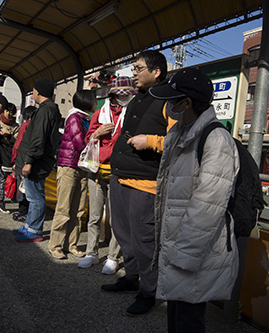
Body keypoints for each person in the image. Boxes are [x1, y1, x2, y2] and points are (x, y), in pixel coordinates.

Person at [149, 67, 240, 332]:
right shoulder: (180, 132)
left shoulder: (216, 139)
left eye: (171, 100)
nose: (167, 106)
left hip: (193, 252)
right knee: (177, 318)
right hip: (178, 246)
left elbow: (207, 208)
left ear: (186, 103)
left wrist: (183, 258)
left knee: (188, 321)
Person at [102, 50, 175, 316]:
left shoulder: (171, 101)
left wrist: (151, 142)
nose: (134, 73)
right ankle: (131, 278)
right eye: (134, 68)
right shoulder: (138, 99)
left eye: (139, 68)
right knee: (123, 234)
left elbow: (179, 141)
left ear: (156, 72)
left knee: (144, 241)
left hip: (145, 183)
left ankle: (149, 291)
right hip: (120, 176)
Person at [78, 76, 137, 274]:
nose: (125, 98)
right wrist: (97, 133)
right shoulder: (99, 113)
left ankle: (113, 257)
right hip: (96, 169)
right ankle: (91, 253)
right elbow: (88, 139)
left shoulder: (131, 114)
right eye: (123, 95)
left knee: (116, 219)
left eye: (128, 95)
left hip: (118, 171)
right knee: (94, 216)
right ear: (114, 95)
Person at [48, 90, 95, 259]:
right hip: (69, 167)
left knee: (78, 209)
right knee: (64, 208)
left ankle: (71, 244)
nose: (96, 102)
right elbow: (79, 143)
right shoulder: (74, 118)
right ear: (86, 102)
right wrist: (95, 136)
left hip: (82, 167)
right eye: (94, 100)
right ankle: (55, 245)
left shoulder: (85, 118)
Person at [13, 78, 62, 243]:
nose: (33, 93)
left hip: (37, 162)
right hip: (39, 160)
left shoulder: (44, 111)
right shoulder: (48, 110)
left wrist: (29, 161)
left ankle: (34, 230)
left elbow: (38, 138)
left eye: (34, 90)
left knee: (35, 197)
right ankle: (29, 227)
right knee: (34, 196)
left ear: (39, 92)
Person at [0, 102, 20, 214]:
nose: (9, 115)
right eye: (7, 112)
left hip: (7, 154)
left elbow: (16, 141)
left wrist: (9, 135)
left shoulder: (15, 126)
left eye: (11, 113)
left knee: (2, 177)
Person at [11, 106, 36, 222]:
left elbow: (18, 143)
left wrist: (14, 159)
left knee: (22, 188)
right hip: (33, 161)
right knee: (30, 189)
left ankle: (22, 212)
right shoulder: (37, 126)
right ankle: (28, 213)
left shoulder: (25, 125)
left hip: (22, 160)